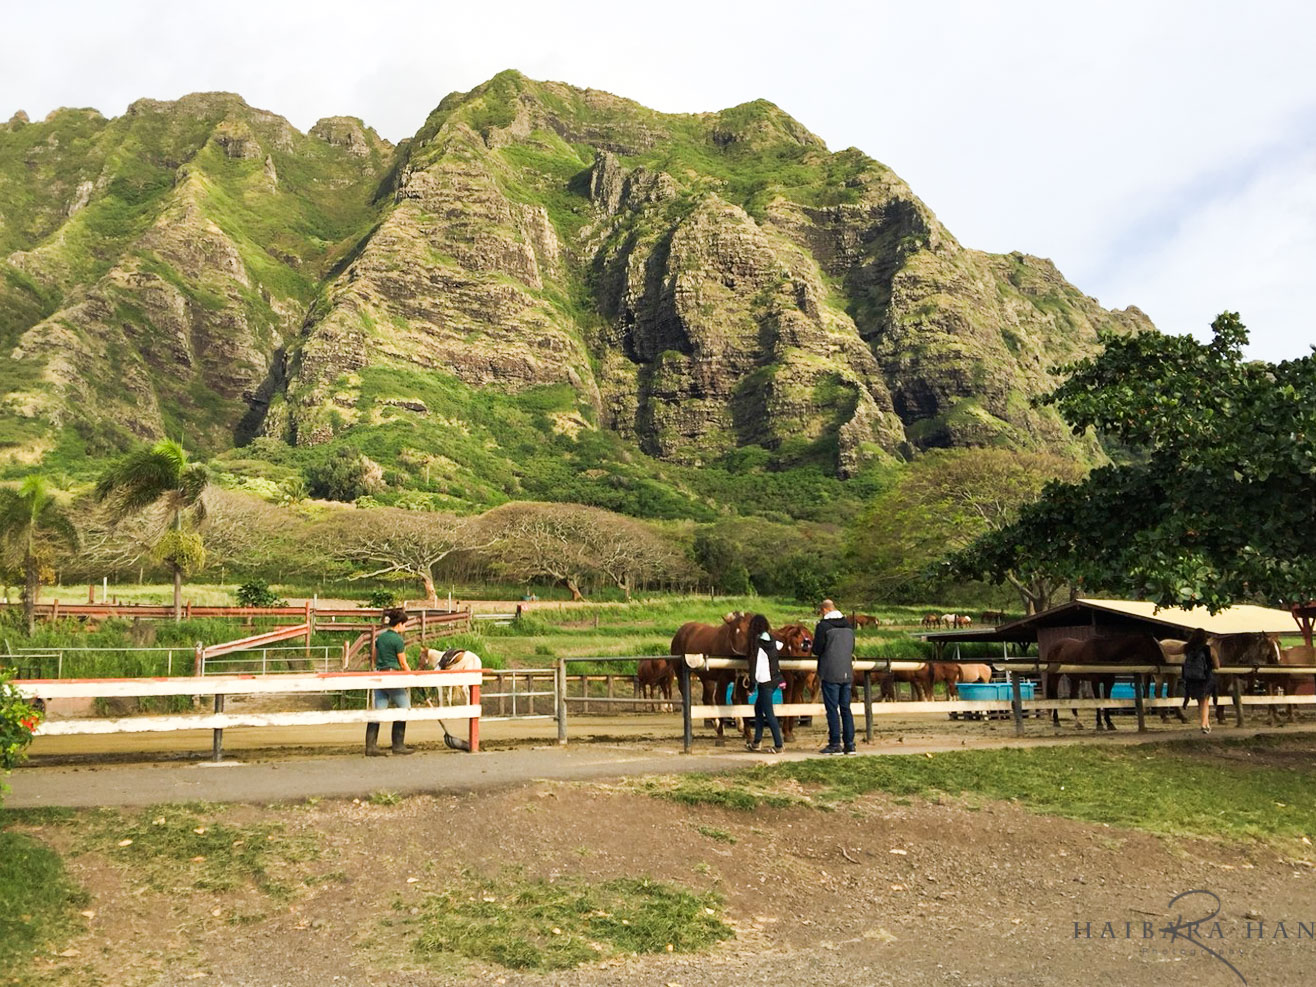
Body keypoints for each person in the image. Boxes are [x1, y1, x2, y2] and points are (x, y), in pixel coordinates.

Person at [367, 608, 414, 756]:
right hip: (392, 676)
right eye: (404, 624)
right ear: (399, 624)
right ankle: (398, 744)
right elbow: (403, 663)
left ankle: (371, 746)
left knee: (378, 710)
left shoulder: (380, 638)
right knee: (404, 706)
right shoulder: (398, 640)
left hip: (380, 675)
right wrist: (412, 676)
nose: (405, 627)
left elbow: (374, 657)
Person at [812, 599, 856, 754]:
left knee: (832, 709)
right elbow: (852, 647)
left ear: (824, 610)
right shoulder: (849, 626)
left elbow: (817, 649)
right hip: (847, 672)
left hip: (830, 672)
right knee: (846, 709)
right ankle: (850, 744)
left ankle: (835, 743)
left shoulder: (823, 627)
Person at [745, 614, 784, 753]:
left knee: (769, 713)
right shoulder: (772, 639)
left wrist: (751, 685)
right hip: (775, 679)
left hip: (765, 682)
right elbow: (780, 646)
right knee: (758, 709)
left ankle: (779, 745)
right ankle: (756, 741)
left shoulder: (756, 643)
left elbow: (754, 666)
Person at [1180, 627, 1215, 734]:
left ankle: (1205, 723)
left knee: (1200, 701)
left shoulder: (1187, 648)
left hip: (1191, 678)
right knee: (1204, 701)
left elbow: (1172, 651)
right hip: (1205, 678)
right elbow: (1217, 665)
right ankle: (1204, 724)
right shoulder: (1209, 649)